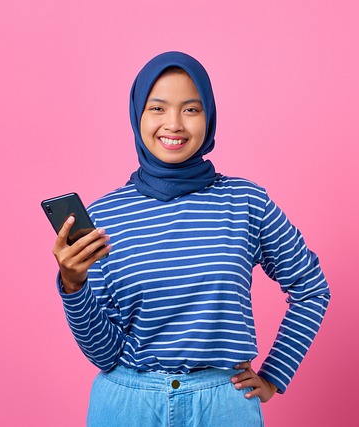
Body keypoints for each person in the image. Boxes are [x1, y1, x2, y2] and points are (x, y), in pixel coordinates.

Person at [51, 51, 330, 426]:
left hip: (222, 406)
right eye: (158, 108)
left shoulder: (245, 202)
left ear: (209, 116)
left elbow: (311, 287)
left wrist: (274, 376)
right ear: (138, 115)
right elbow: (105, 354)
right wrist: (73, 285)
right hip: (127, 406)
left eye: (191, 109)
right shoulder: (104, 216)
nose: (174, 124)